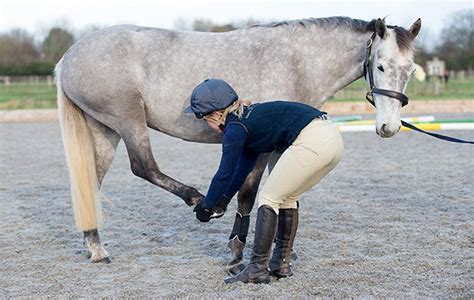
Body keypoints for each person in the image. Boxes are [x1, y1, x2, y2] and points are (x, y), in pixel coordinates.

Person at [184, 78, 344, 284]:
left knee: (269, 197)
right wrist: (221, 202)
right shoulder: (247, 121)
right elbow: (242, 169)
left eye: (204, 120)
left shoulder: (234, 129)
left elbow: (224, 172)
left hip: (312, 141)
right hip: (332, 139)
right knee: (287, 197)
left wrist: (206, 206)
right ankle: (280, 264)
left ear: (215, 115)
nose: (206, 125)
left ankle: (257, 269)